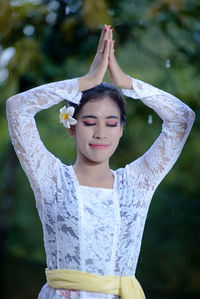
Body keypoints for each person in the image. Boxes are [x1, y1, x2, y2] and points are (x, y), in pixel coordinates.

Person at [6, 24, 195, 299]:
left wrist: (126, 82)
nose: (100, 133)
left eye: (111, 123)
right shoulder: (51, 178)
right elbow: (17, 108)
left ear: (121, 129)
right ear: (71, 126)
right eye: (90, 121)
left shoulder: (137, 183)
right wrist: (86, 81)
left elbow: (181, 118)